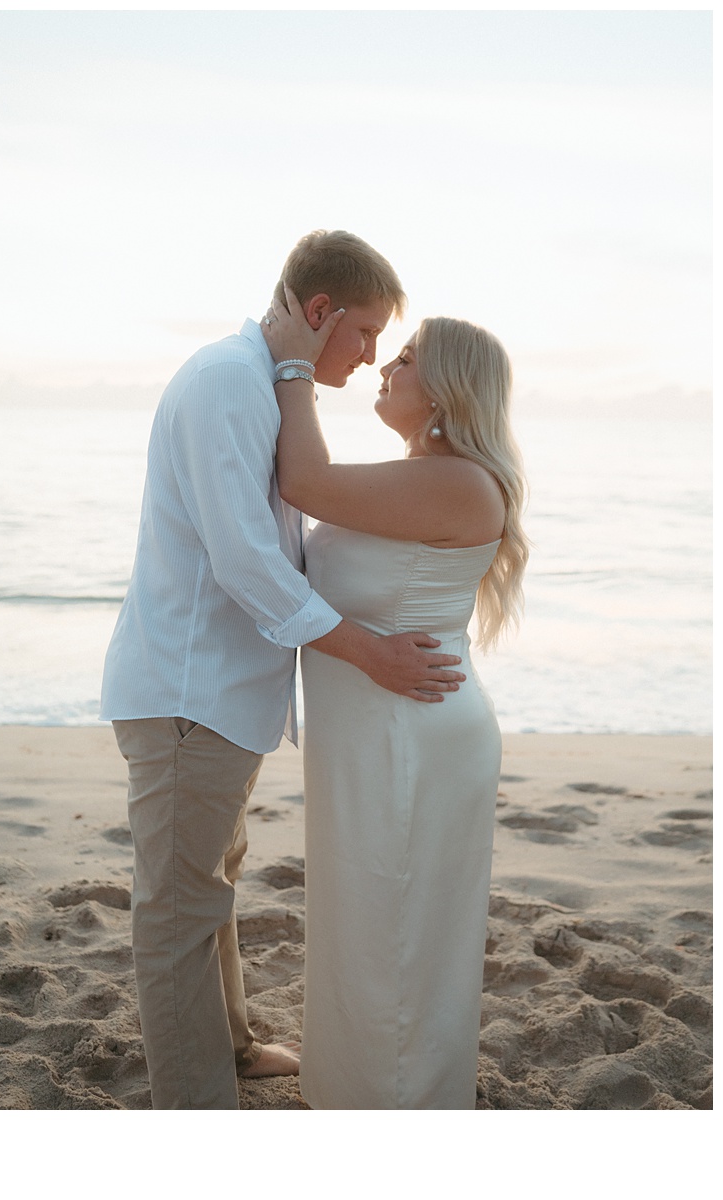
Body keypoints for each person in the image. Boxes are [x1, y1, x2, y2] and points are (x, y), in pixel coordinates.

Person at [99, 230, 467, 1110]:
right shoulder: (228, 381)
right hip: (190, 691)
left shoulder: (259, 380)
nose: (373, 354)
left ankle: (228, 1047)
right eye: (367, 332)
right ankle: (197, 1109)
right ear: (318, 312)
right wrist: (368, 651)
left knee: (209, 883)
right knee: (178, 914)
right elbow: (245, 560)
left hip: (221, 693)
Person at [264, 289, 529, 1109]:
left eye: (406, 358)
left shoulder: (459, 483)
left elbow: (301, 477)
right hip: (377, 732)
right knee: (369, 923)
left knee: (397, 934)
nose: (384, 364)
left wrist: (293, 360)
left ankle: (397, 1117)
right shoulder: (422, 475)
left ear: (448, 390)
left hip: (409, 738)